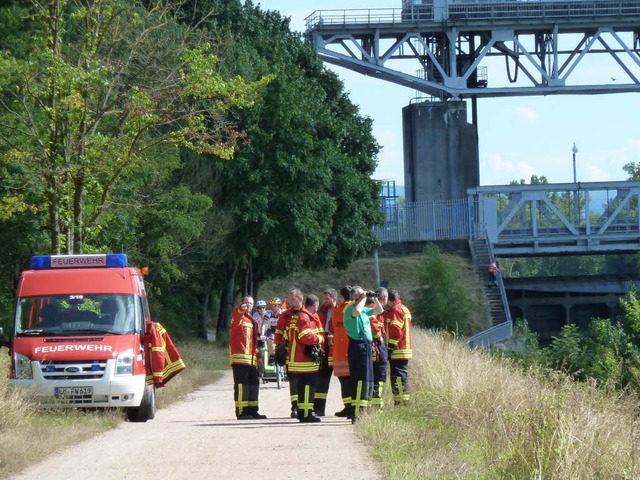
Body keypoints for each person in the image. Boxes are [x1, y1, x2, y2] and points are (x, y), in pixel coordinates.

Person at [343, 285, 383, 422]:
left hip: (366, 346)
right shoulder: (349, 310)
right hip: (357, 346)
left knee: (367, 378)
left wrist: (373, 298)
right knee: (360, 379)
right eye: (360, 295)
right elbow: (357, 312)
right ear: (355, 297)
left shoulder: (363, 310)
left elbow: (379, 310)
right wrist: (363, 297)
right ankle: (357, 413)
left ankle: (363, 411)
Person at [284, 288, 324, 423]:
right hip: (303, 360)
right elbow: (304, 336)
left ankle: (302, 412)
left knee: (303, 387)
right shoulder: (303, 316)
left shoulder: (299, 316)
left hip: (299, 358)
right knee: (308, 386)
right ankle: (306, 414)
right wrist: (319, 339)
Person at [229, 295, 267, 420]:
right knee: (241, 385)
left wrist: (259, 356)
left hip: (252, 359)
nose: (249, 305)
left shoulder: (253, 321)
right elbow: (237, 314)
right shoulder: (238, 317)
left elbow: (255, 342)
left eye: (251, 303)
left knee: (253, 385)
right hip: (240, 358)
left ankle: (253, 410)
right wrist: (240, 308)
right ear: (241, 303)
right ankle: (241, 411)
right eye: (246, 303)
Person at [385, 288, 413, 406]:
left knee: (397, 378)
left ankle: (401, 403)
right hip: (404, 348)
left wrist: (391, 345)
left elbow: (395, 329)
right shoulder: (404, 308)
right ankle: (402, 401)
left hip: (398, 349)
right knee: (402, 376)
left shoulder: (395, 310)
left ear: (388, 299)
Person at [330, 285, 353, 418]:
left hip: (339, 352)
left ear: (341, 297)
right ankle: (352, 408)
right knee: (353, 380)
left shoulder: (337, 313)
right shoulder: (355, 310)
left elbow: (333, 327)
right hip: (352, 350)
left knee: (344, 381)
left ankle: (347, 406)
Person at [314, 288, 337, 416]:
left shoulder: (341, 310)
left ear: (334, 298)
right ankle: (319, 409)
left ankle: (348, 407)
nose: (324, 301)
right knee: (321, 379)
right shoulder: (321, 311)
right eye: (324, 299)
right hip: (324, 346)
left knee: (343, 378)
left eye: (327, 299)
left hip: (337, 347)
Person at [370, 287, 389, 409]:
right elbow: (372, 323)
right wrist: (378, 336)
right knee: (380, 375)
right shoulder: (373, 308)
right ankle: (377, 405)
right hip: (376, 347)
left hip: (376, 346)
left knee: (378, 376)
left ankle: (376, 403)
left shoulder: (377, 310)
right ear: (384, 298)